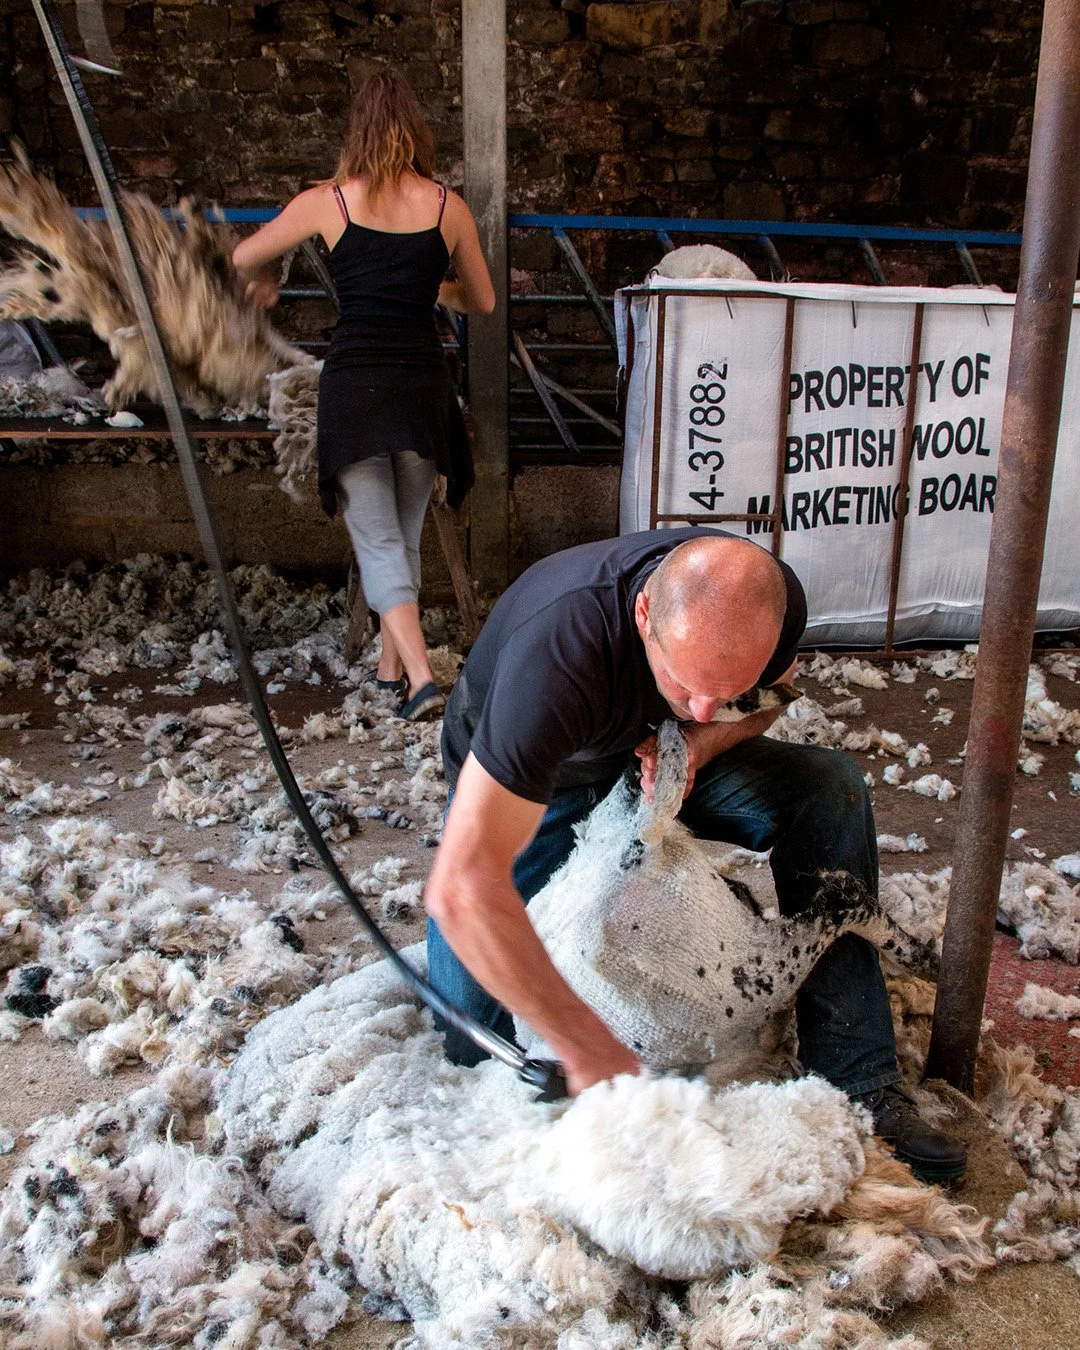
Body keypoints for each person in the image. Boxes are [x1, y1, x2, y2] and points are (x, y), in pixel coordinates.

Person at [424, 528, 967, 1183]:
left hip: (655, 754)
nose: (707, 705)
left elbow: (769, 698)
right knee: (473, 1038)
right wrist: (587, 1047)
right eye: (684, 681)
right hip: (546, 777)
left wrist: (699, 741)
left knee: (830, 787)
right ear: (644, 616)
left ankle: (859, 1074)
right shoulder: (558, 657)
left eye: (726, 688)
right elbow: (462, 887)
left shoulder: (767, 607)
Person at [232, 69, 495, 721]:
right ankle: (389, 670)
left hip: (356, 388)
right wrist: (428, 287)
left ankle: (421, 679)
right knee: (402, 534)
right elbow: (483, 300)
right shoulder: (448, 206)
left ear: (358, 132)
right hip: (422, 386)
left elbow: (241, 256)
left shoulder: (329, 202)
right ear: (417, 132)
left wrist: (266, 284)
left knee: (379, 541)